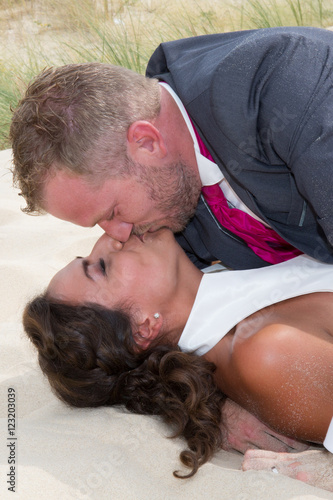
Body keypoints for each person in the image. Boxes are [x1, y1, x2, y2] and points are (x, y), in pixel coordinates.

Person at [24, 229, 333, 491]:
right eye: (102, 267)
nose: (110, 238)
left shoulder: (221, 255)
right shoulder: (267, 355)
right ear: (143, 327)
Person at [9, 26, 333, 271]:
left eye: (111, 213)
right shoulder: (171, 200)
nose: (119, 235)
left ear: (147, 143)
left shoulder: (284, 88)